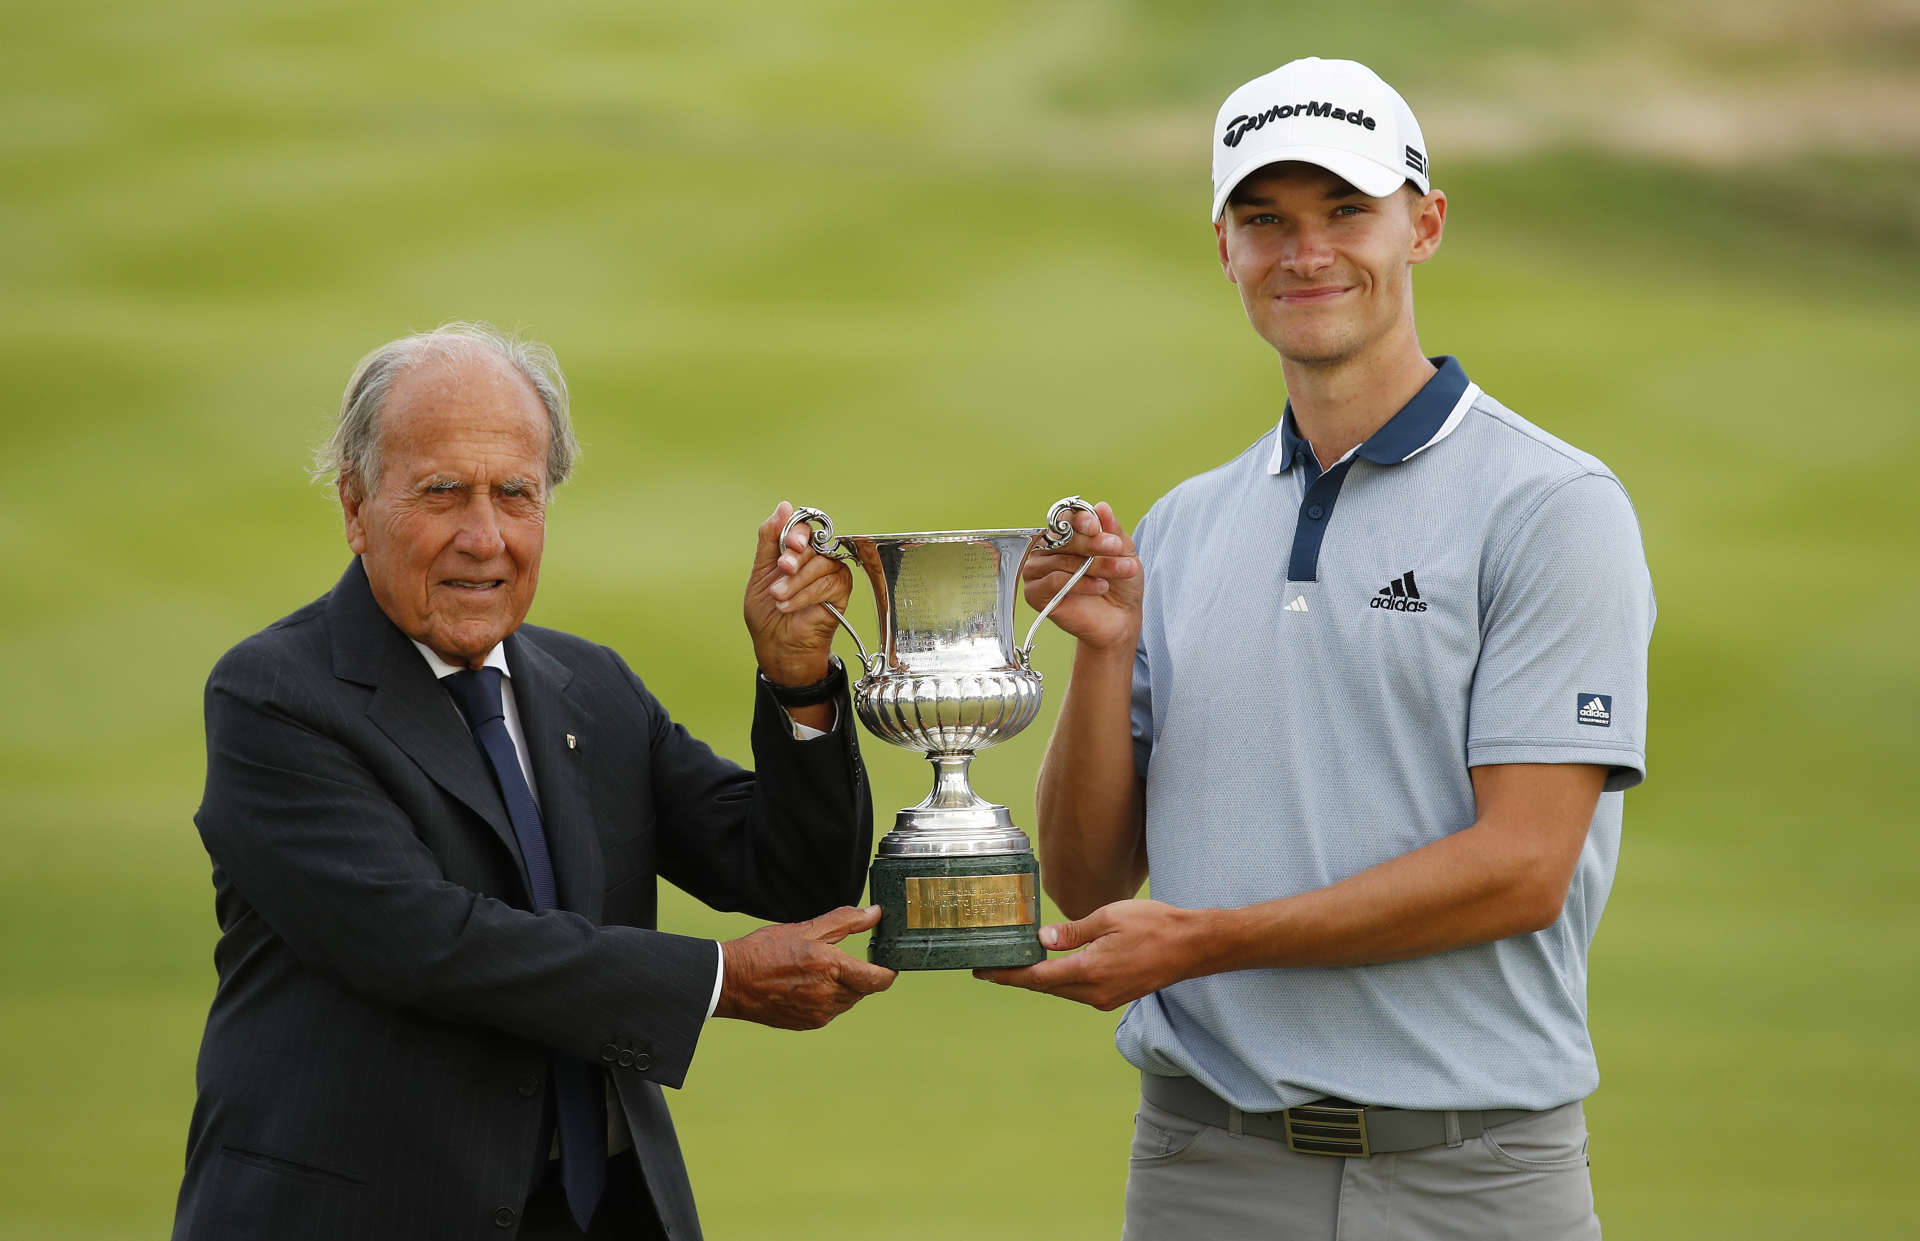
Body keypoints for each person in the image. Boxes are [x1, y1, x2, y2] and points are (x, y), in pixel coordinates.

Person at [978, 57, 1655, 1239]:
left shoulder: (1551, 503)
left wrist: (1204, 942)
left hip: (1475, 1172)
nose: (1307, 253)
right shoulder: (1187, 522)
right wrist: (1102, 651)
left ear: (1424, 225)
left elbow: (1524, 865)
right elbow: (1089, 883)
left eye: (1348, 210)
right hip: (1205, 1159)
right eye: (1265, 220)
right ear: (1225, 250)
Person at [172, 323, 895, 1241]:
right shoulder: (275, 695)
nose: (486, 537)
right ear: (356, 506)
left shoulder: (589, 685)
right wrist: (720, 979)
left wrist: (797, 681)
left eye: (516, 493)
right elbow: (429, 943)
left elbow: (794, 877)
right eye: (443, 493)